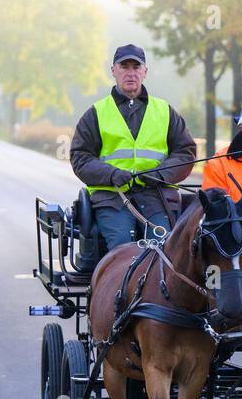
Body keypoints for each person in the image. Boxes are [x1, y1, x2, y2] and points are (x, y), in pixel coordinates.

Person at [70, 44, 197, 270]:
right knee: (122, 251)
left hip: (156, 197)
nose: (131, 72)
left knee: (164, 250)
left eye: (136, 66)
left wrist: (160, 174)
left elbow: (185, 152)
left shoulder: (165, 111)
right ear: (113, 71)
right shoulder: (96, 113)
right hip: (113, 199)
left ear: (144, 72)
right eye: (124, 66)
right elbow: (80, 157)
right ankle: (119, 302)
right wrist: (111, 174)